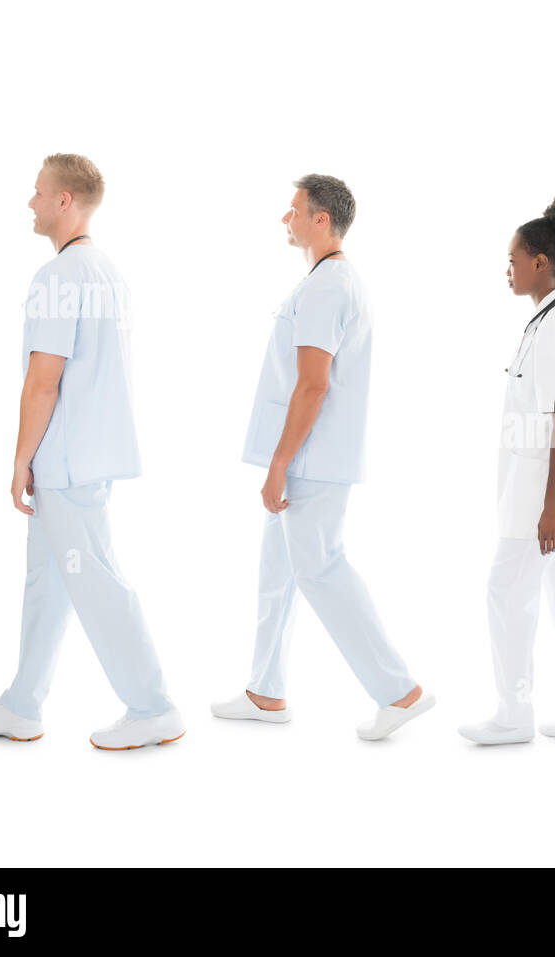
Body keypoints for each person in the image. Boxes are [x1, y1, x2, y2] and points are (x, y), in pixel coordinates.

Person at [0, 154, 185, 750]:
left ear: (65, 200)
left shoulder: (57, 276)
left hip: (65, 460)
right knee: (48, 580)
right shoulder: (107, 271)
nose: (29, 202)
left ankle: (152, 704)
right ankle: (22, 704)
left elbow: (44, 380)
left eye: (37, 192)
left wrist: (18, 460)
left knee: (95, 580)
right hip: (88, 456)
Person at [211, 174, 433, 741]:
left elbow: (314, 386)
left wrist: (280, 463)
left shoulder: (328, 287)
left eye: (293, 211)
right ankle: (266, 691)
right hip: (309, 456)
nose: (285, 220)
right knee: (277, 572)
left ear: (321, 220)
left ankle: (398, 691)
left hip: (311, 460)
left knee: (320, 569)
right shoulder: (323, 281)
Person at [458, 192, 555, 746]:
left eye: (513, 259)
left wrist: (550, 505)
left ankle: (513, 714)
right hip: (544, 493)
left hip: (545, 500)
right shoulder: (548, 320)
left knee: (507, 591)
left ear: (540, 262)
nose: (508, 269)